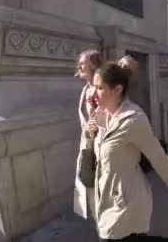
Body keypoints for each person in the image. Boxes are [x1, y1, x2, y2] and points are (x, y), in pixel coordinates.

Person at [86, 63, 168, 241]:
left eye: (99, 87)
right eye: (93, 87)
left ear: (117, 89)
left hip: (127, 203)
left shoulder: (134, 119)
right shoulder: (101, 115)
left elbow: (159, 158)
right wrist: (91, 134)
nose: (94, 92)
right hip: (105, 199)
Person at [74, 49, 103, 229]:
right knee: (89, 187)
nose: (79, 66)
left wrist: (98, 129)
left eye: (83, 63)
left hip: (101, 145)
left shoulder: (102, 89)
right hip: (88, 146)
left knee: (103, 192)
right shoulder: (86, 89)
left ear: (93, 64)